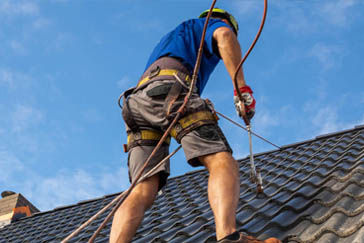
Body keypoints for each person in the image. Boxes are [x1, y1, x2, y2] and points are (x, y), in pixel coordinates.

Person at [110, 8, 281, 243]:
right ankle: (227, 236)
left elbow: (166, 76)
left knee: (142, 189)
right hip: (171, 91)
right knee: (220, 160)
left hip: (137, 103)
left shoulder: (173, 37)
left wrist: (196, 99)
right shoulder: (211, 25)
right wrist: (241, 89)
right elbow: (224, 36)